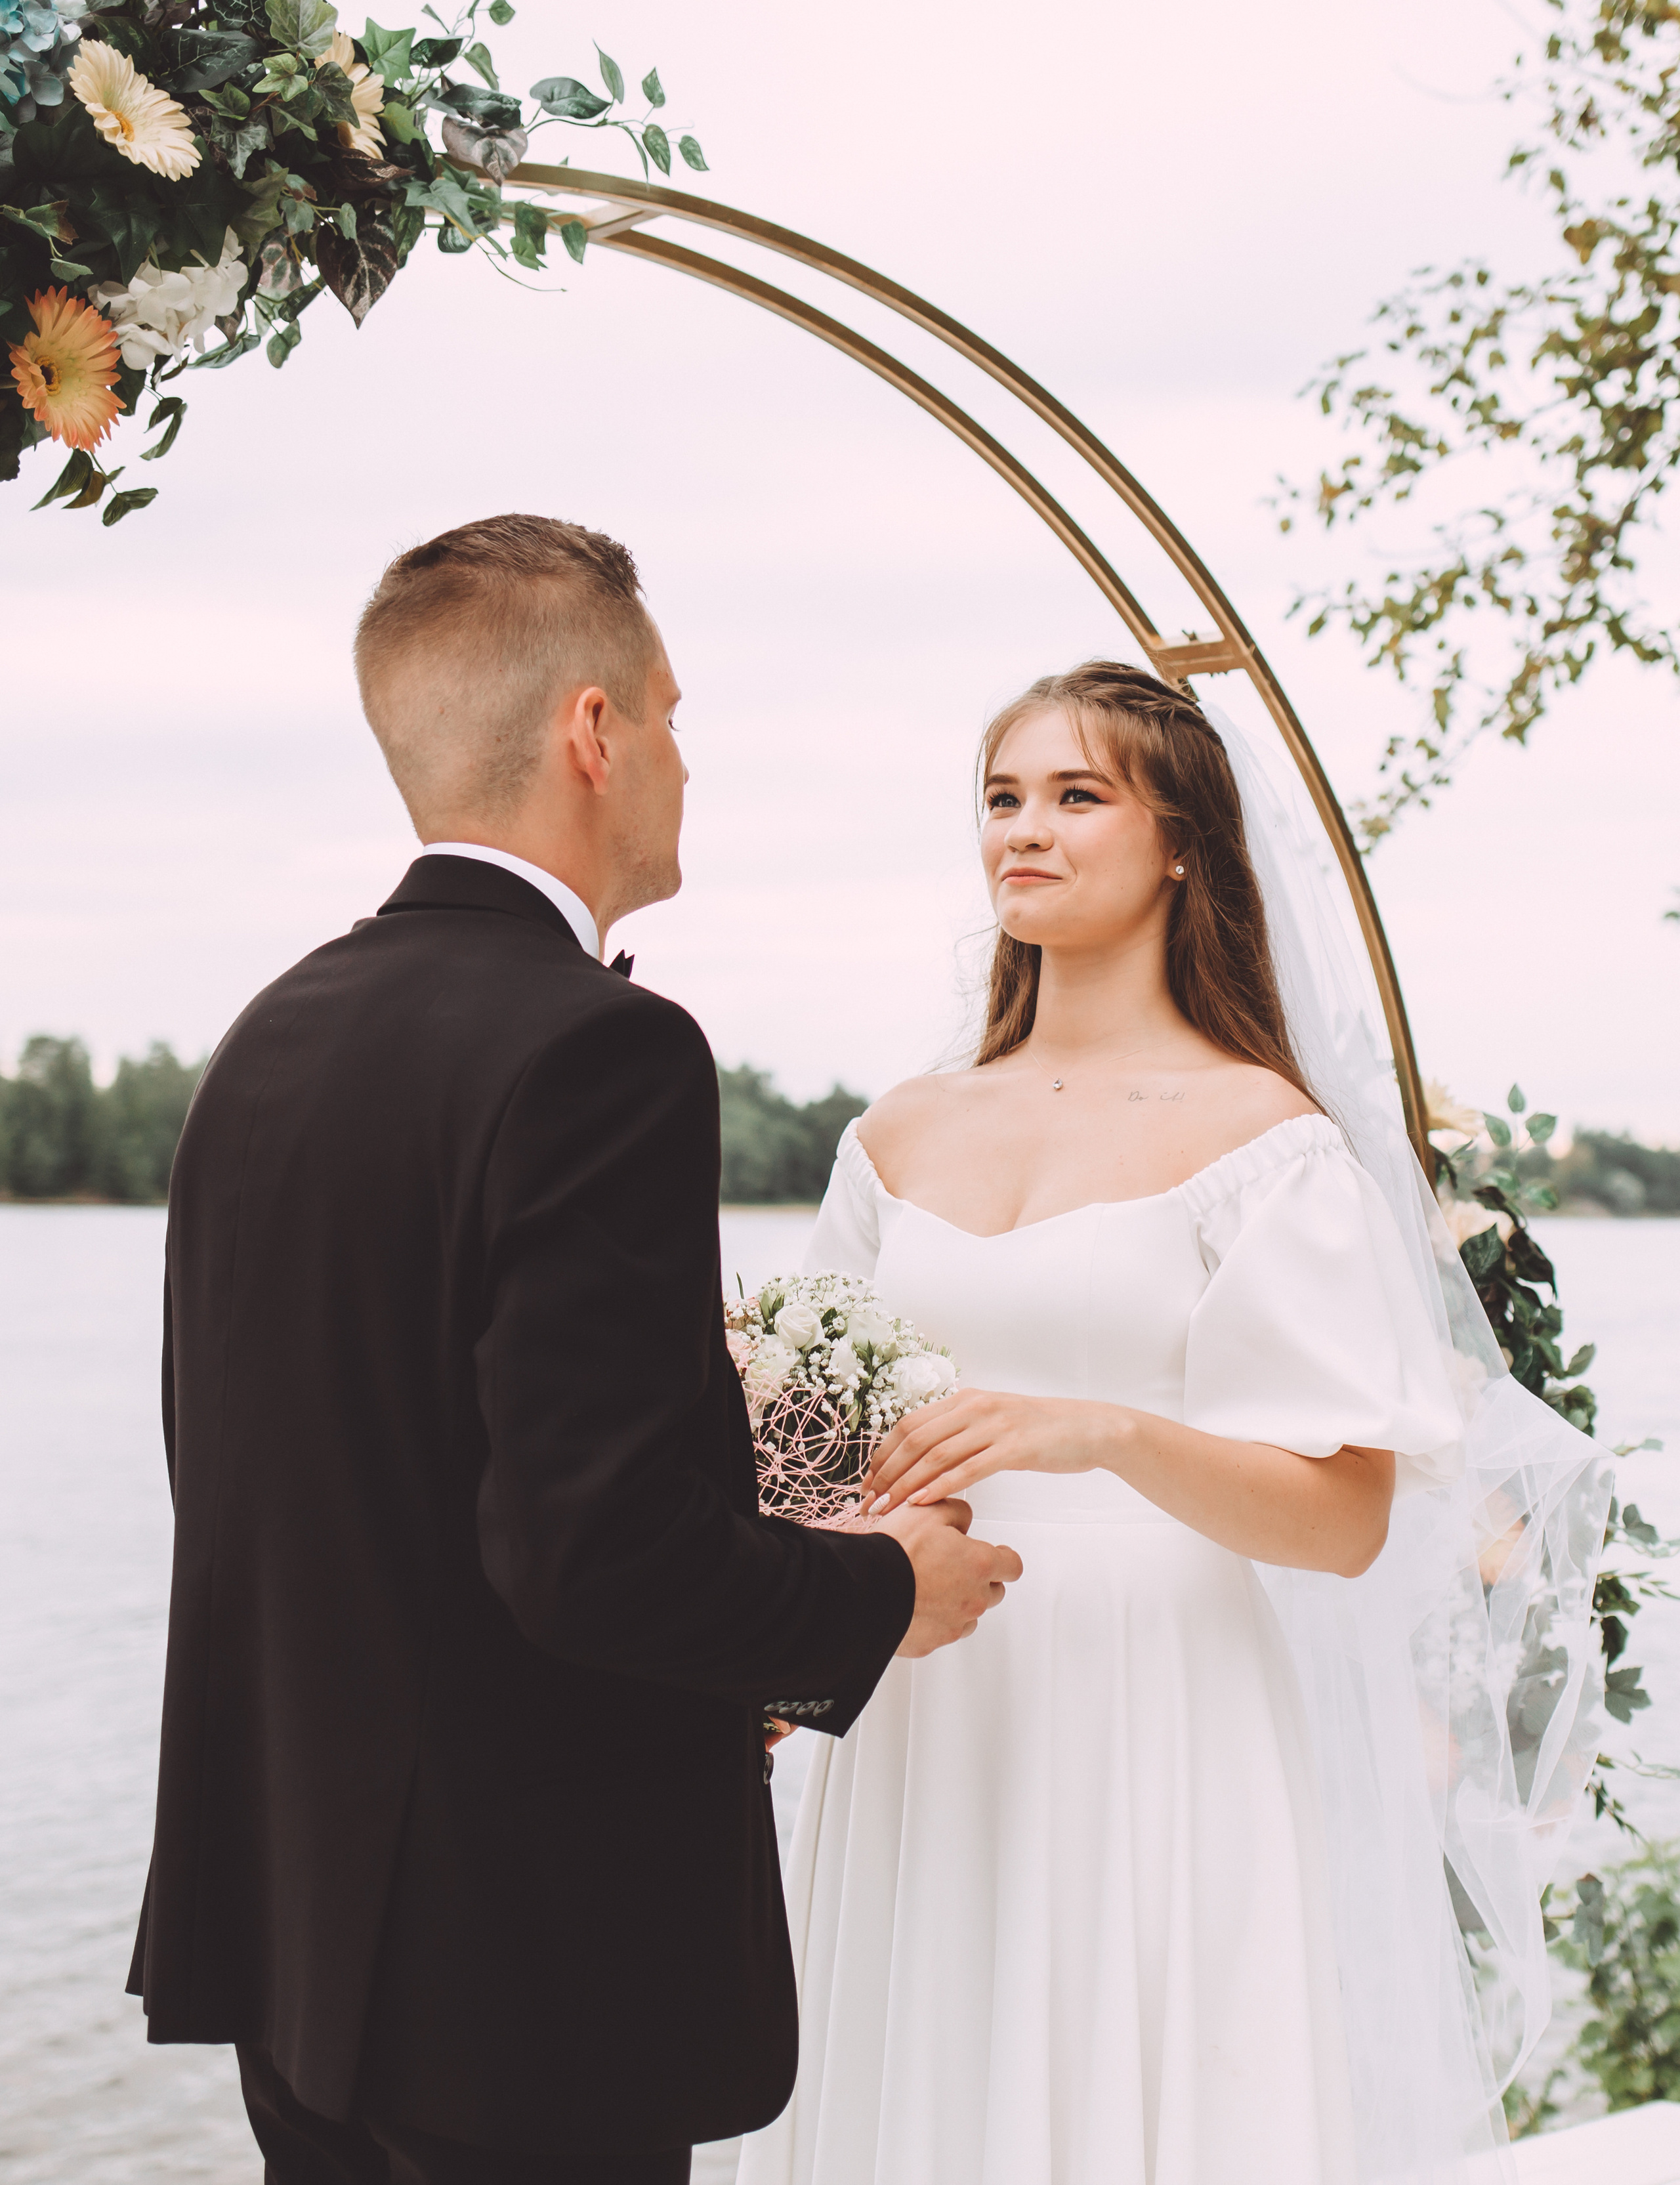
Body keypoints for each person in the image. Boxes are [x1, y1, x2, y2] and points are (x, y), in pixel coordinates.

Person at [125, 513, 1022, 2185]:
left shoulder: (267, 1035)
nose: (686, 759)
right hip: (515, 1982)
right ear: (592, 731)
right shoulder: (605, 1052)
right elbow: (592, 1554)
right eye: (672, 714)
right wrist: (881, 1589)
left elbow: (268, 1485)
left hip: (298, 1947)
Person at [738, 664, 1605, 2185]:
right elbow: (806, 1440)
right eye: (1001, 797)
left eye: (1075, 797)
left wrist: (1106, 1435)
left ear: (1181, 847)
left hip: (1151, 1692)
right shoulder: (898, 1132)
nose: (1023, 830)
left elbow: (1342, 1522)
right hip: (925, 1673)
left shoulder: (1262, 1141)